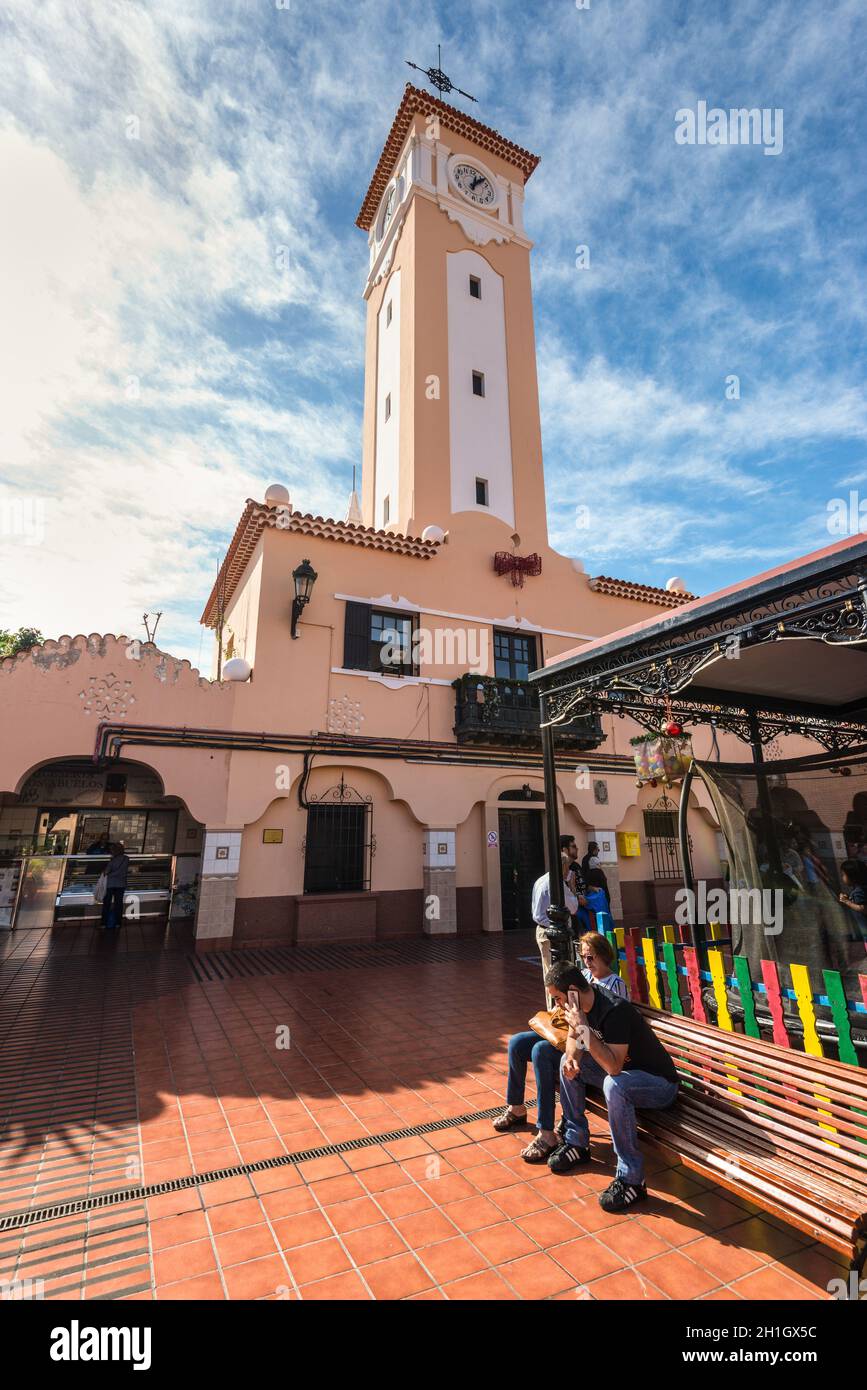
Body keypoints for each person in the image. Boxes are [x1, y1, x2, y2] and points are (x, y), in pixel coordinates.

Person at [544, 960, 679, 1211]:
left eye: (559, 998)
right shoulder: (580, 1009)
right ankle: (576, 1142)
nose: (557, 1005)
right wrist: (573, 1058)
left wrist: (583, 1026)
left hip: (659, 1085)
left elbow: (613, 1067)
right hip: (627, 1078)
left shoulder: (614, 1010)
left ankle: (632, 1180)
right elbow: (574, 1038)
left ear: (573, 990)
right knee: (567, 1060)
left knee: (613, 1085)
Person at [492, 1027, 563, 1164]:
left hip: (580, 1040)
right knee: (516, 1043)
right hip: (560, 1030)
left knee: (541, 1051)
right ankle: (516, 1108)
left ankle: (546, 1133)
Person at [532, 863, 579, 1006]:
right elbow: (574, 907)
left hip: (542, 930)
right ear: (562, 866)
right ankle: (558, 1009)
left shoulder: (540, 880)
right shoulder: (556, 884)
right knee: (558, 975)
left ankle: (554, 1008)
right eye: (568, 868)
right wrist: (571, 887)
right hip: (552, 932)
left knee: (549, 972)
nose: (569, 871)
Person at [578, 930, 629, 999]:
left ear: (603, 955)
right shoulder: (584, 975)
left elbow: (623, 1009)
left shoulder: (616, 984)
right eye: (583, 956)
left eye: (590, 957)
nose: (586, 961)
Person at [101, 842, 130, 930]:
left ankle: (104, 923)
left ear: (114, 851)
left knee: (107, 904)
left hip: (110, 884)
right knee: (118, 904)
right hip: (121, 884)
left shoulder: (112, 861)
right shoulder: (126, 859)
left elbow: (106, 872)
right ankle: (118, 923)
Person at [839, 859, 867, 942]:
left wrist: (847, 902)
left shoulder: (859, 891)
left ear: (852, 877)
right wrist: (848, 898)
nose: (842, 877)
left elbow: (864, 908)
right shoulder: (861, 889)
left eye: (843, 875)